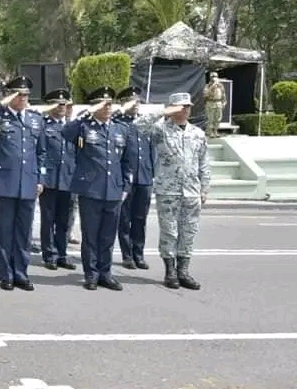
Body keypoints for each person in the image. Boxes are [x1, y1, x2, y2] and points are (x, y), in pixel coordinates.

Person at [129, 92, 210, 289]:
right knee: (169, 232)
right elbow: (137, 126)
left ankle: (184, 271)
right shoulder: (161, 130)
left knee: (189, 231)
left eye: (187, 106)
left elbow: (203, 162)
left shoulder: (197, 133)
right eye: (181, 107)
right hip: (168, 190)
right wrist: (163, 112)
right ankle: (170, 271)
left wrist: (204, 187)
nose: (185, 110)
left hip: (191, 190)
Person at [0, 76, 44, 291]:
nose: (23, 98)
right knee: (4, 232)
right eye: (18, 95)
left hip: (28, 183)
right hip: (3, 184)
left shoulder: (35, 119)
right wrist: (0, 106)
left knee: (23, 232)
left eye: (26, 95)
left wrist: (41, 179)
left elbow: (42, 152)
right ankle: (6, 275)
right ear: (9, 96)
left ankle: (21, 273)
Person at [62, 86, 134, 291]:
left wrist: (126, 185)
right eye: (104, 104)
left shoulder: (120, 129)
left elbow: (127, 161)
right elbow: (66, 132)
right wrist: (86, 113)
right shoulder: (84, 126)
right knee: (91, 235)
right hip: (91, 189)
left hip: (114, 189)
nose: (108, 108)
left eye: (110, 104)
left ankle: (105, 273)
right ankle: (91, 274)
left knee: (108, 236)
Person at [114, 86, 154, 270]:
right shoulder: (118, 123)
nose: (136, 105)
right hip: (126, 179)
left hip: (144, 177)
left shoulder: (145, 123)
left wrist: (152, 173)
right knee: (124, 219)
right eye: (132, 101)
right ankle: (127, 255)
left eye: (138, 101)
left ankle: (139, 253)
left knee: (140, 218)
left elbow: (152, 151)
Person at [38, 88, 76, 271]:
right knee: (48, 219)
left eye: (64, 104)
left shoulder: (72, 127)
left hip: (69, 179)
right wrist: (40, 178)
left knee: (65, 220)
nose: (62, 107)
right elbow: (40, 153)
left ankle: (62, 254)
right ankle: (50, 255)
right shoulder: (43, 125)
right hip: (50, 179)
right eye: (58, 104)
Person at [204, 72, 225, 139]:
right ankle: (210, 132)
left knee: (218, 118)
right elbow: (206, 94)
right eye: (213, 76)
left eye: (215, 76)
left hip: (218, 103)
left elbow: (223, 94)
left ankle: (216, 131)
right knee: (210, 119)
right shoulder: (207, 86)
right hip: (211, 103)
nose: (214, 78)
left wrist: (224, 102)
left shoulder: (220, 85)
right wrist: (213, 86)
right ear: (210, 78)